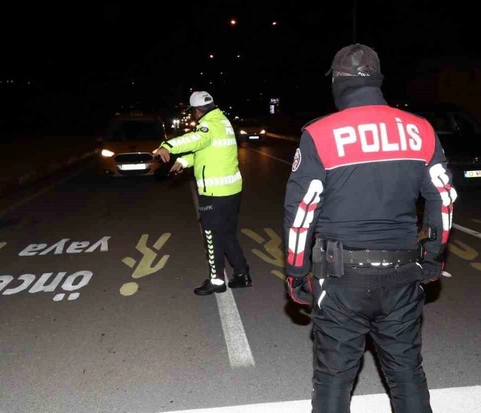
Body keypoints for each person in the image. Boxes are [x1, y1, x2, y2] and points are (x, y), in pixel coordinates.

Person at [283, 44, 457, 413]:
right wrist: (432, 256)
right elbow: (443, 200)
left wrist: (296, 272)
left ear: (337, 80)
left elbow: (301, 212)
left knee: (334, 378)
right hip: (402, 273)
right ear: (377, 79)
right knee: (407, 373)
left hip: (341, 278)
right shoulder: (420, 130)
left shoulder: (320, 133)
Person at [154, 91, 251, 296]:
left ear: (196, 110)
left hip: (215, 193)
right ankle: (242, 274)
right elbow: (205, 151)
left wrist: (168, 146)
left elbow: (196, 140)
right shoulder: (222, 121)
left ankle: (217, 281)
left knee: (212, 237)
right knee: (227, 234)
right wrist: (183, 161)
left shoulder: (208, 126)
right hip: (231, 190)